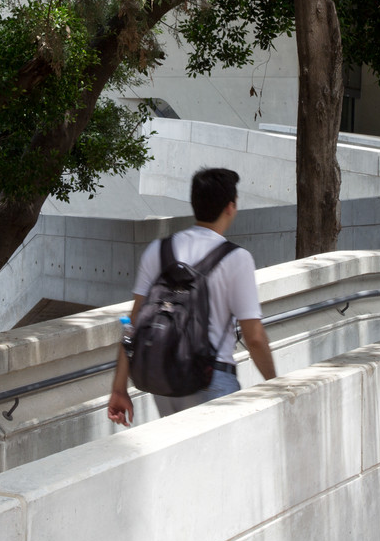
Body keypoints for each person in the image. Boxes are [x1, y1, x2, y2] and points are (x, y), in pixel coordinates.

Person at [107, 167, 277, 424]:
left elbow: (133, 326)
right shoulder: (237, 258)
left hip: (165, 384)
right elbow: (253, 338)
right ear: (230, 207)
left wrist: (119, 389)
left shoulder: (158, 250)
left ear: (195, 204)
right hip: (211, 381)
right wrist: (277, 385)